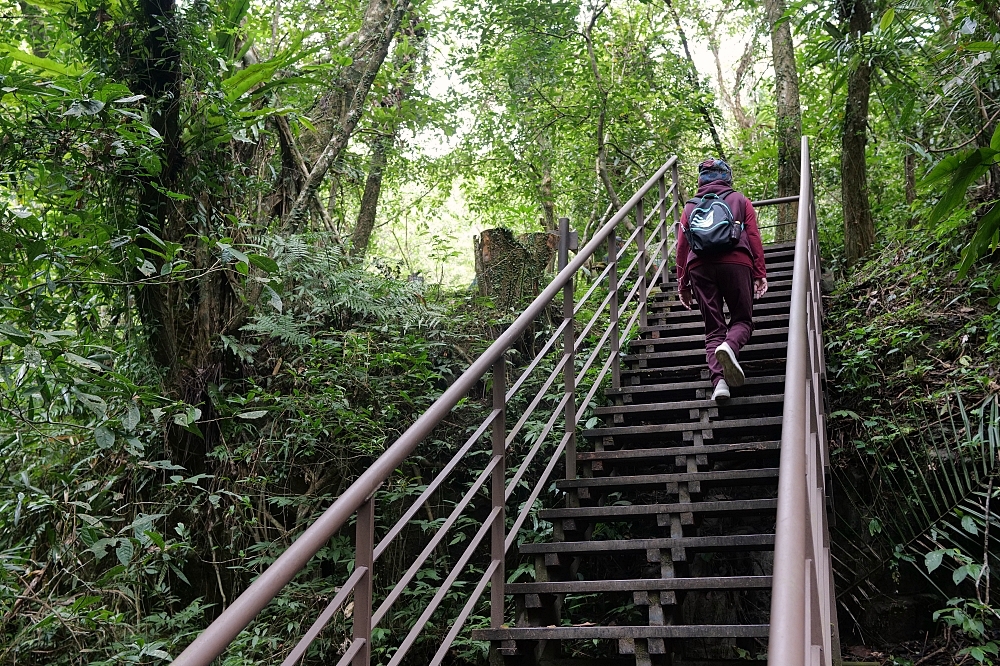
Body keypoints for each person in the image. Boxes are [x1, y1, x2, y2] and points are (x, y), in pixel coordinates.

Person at [675, 159, 767, 402]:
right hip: (736, 261)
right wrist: (760, 273)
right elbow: (754, 236)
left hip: (699, 266)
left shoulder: (690, 207)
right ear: (727, 177)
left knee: (714, 328)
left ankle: (720, 384)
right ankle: (730, 346)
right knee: (742, 320)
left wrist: (682, 284)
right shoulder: (740, 200)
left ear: (700, 180)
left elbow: (682, 247)